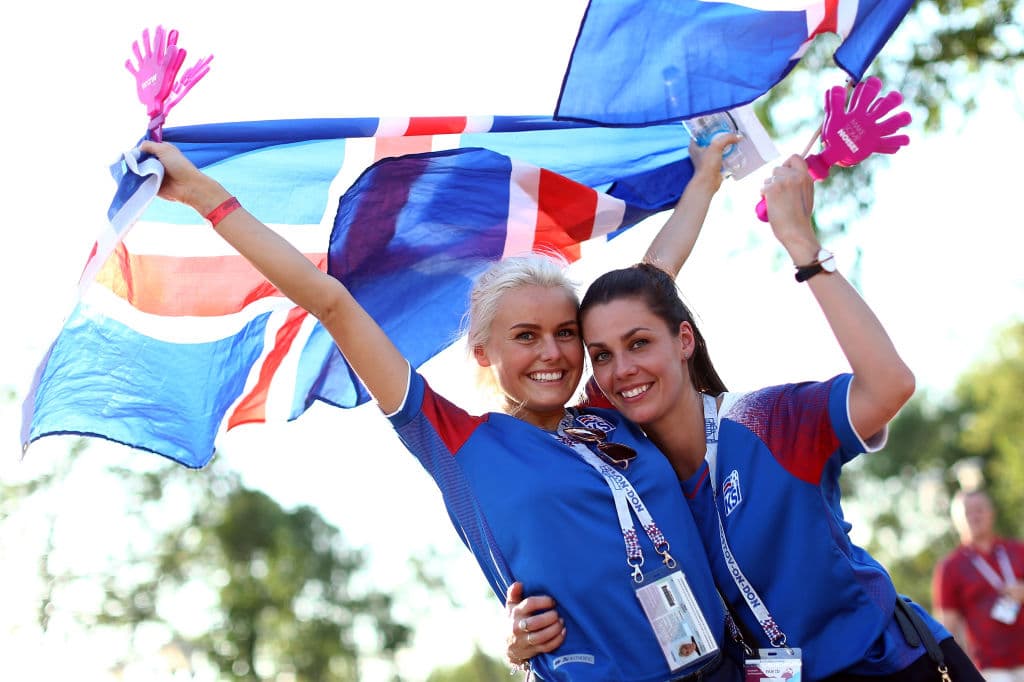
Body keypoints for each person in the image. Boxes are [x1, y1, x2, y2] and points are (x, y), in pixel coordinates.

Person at [139, 136, 746, 681]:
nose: (553, 353)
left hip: (726, 665)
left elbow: (653, 278)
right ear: (484, 351)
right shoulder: (460, 442)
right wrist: (203, 195)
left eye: (566, 332)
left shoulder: (611, 414)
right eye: (526, 336)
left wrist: (703, 180)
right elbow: (332, 304)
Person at [507, 155, 984, 682]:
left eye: (640, 343)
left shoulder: (769, 421)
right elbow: (647, 286)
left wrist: (803, 247)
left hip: (891, 664)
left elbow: (890, 385)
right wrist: (522, 638)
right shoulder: (615, 456)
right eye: (601, 355)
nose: (622, 370)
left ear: (683, 340)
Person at [933, 489, 1024, 681]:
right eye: (967, 512)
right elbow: (947, 627)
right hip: (990, 669)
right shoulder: (950, 567)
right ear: (956, 521)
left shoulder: (1018, 550)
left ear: (992, 512)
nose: (974, 516)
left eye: (979, 509)